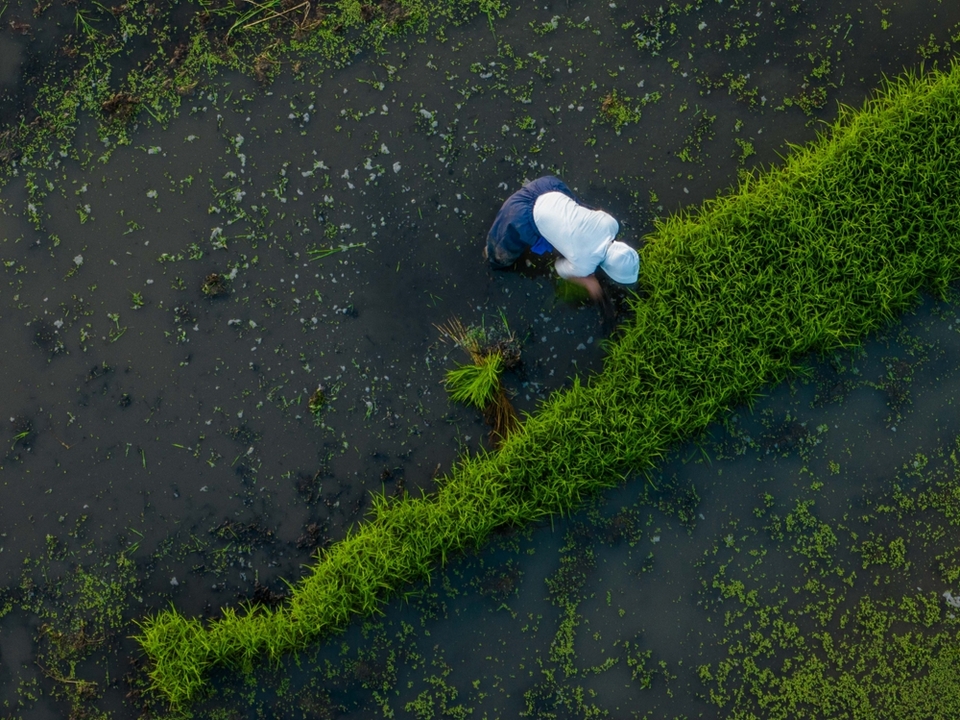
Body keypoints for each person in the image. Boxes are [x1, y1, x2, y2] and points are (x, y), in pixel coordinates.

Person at [485, 176, 639, 302]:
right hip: (522, 214)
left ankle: (528, 186)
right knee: (499, 254)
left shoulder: (612, 225)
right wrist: (587, 281)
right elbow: (560, 268)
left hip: (549, 187)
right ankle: (489, 254)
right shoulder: (585, 265)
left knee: (580, 209)